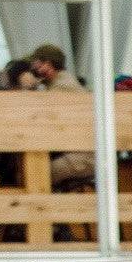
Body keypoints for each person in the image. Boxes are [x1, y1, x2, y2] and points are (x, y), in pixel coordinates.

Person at [29, 43, 95, 189]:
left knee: (37, 176)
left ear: (49, 63)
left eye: (39, 65)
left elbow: (42, 116)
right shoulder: (59, 83)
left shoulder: (62, 88)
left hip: (82, 157)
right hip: (80, 153)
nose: (36, 69)